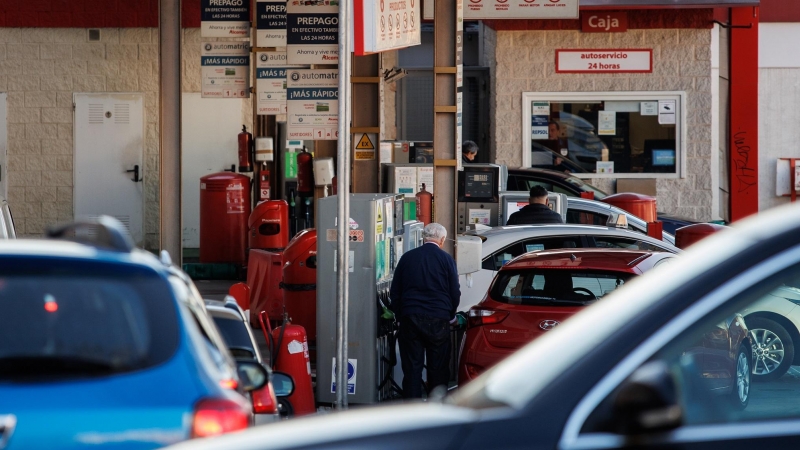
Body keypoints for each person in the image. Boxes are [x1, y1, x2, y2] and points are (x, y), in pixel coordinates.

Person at [389, 222, 461, 399]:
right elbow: (454, 292)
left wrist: (399, 316)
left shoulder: (407, 258)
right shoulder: (446, 260)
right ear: (442, 240)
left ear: (424, 238)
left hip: (410, 317)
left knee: (412, 367)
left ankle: (411, 409)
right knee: (438, 367)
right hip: (439, 318)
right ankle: (437, 407)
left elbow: (395, 291)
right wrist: (451, 315)